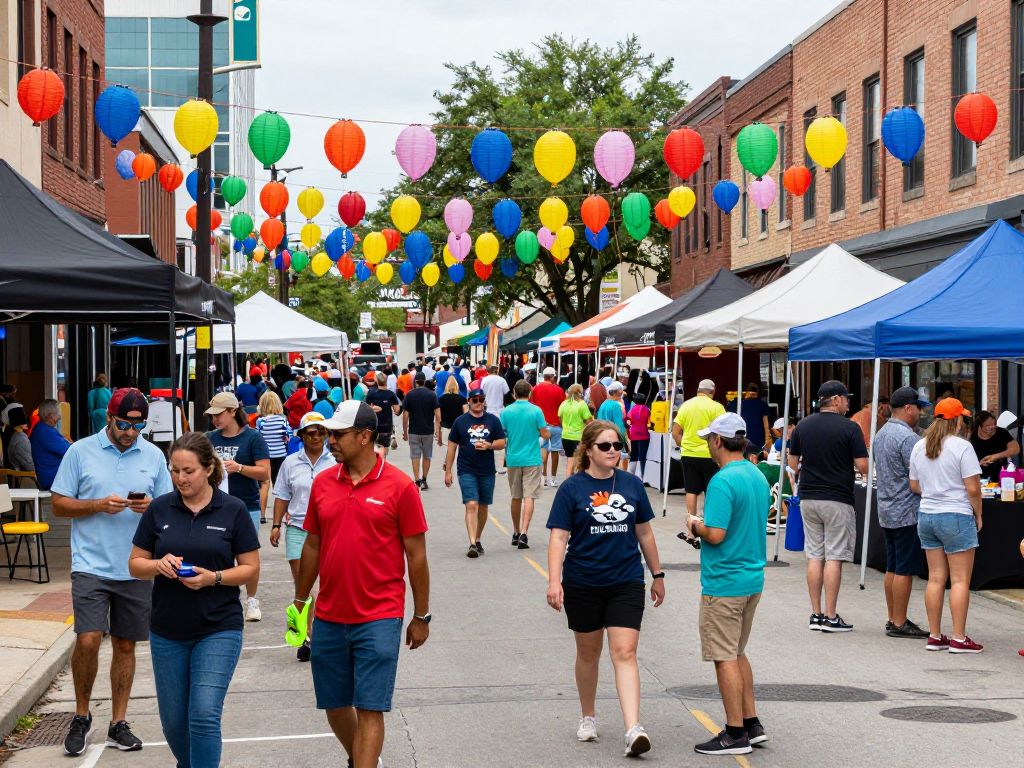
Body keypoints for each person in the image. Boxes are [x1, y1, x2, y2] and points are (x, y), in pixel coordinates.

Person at [292, 400, 430, 768]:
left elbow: (416, 555)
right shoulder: (322, 483)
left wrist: (422, 615)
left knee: (370, 706)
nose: (330, 440)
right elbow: (313, 544)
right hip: (330, 614)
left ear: (365, 437)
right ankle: (360, 759)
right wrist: (300, 602)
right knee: (334, 704)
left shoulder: (400, 487)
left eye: (338, 434)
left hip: (380, 615)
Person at [50, 388, 173, 756]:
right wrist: (97, 505)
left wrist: (151, 509)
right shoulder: (80, 451)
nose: (129, 433)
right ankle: (81, 714)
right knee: (88, 639)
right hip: (90, 564)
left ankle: (118, 723)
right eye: (123, 424)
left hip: (135, 564)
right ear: (108, 417)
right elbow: (58, 505)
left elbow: (168, 509)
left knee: (125, 643)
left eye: (137, 426)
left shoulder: (153, 456)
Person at [128, 433, 260, 768]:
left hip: (219, 627)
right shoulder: (160, 509)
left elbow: (250, 569)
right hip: (167, 630)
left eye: (189, 471)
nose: (181, 478)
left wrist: (212, 578)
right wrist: (158, 565)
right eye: (175, 471)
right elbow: (135, 564)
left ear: (208, 468)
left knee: (202, 714)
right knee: (173, 722)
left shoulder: (233, 510)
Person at [545, 419, 664, 758]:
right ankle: (588, 715)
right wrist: (554, 581)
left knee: (625, 652)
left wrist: (658, 574)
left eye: (617, 445)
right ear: (588, 449)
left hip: (625, 580)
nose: (614, 451)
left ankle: (633, 728)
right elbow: (558, 537)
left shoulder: (631, 484)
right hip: (583, 581)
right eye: (606, 446)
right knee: (588, 653)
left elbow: (644, 533)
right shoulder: (572, 489)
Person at [684, 413, 770, 755]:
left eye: (709, 439)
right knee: (737, 652)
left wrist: (695, 525)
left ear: (718, 442)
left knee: (724, 656)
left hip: (725, 580)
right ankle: (751, 722)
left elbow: (716, 534)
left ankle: (735, 732)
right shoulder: (756, 474)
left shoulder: (722, 480)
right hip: (752, 575)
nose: (708, 444)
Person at [787, 380, 868, 632]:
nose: (847, 402)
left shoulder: (803, 425)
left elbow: (792, 462)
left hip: (809, 497)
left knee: (814, 555)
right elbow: (864, 466)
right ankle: (831, 615)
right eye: (845, 398)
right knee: (834, 556)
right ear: (834, 400)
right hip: (837, 497)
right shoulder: (850, 428)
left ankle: (816, 614)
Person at [909, 397, 984, 653]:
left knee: (935, 578)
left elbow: (914, 486)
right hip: (956, 514)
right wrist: (979, 514)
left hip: (927, 514)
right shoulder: (962, 447)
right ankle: (959, 638)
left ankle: (934, 634)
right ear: (957, 420)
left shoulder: (920, 446)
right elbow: (973, 488)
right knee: (960, 580)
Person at [271, 412, 335, 661]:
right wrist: (276, 524)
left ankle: (328, 632)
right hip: (298, 527)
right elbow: (282, 494)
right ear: (302, 436)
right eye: (311, 432)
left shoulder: (335, 461)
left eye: (321, 432)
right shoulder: (290, 463)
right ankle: (309, 635)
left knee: (331, 583)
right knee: (303, 584)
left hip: (329, 528)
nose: (316, 436)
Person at [205, 391, 271, 622]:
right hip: (214, 505)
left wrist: (240, 468)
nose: (215, 420)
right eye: (212, 415)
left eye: (219, 414)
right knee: (214, 553)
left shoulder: (253, 438)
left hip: (246, 504)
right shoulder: (209, 438)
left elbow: (265, 472)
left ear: (233, 412)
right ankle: (219, 598)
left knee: (248, 557)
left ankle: (251, 600)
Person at [873, 387, 931, 639]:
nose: (920, 412)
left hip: (887, 507)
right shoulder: (908, 438)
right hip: (906, 509)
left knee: (893, 566)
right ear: (908, 408)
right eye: (918, 407)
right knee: (904, 569)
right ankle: (898, 621)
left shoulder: (882, 432)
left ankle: (893, 616)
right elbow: (920, 473)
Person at [444, 387, 506, 557]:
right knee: (471, 504)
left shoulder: (493, 420)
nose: (478, 403)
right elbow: (451, 446)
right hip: (466, 468)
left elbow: (502, 441)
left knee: (483, 506)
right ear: (469, 402)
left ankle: (477, 539)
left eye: (481, 399)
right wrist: (448, 470)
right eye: (475, 400)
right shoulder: (460, 421)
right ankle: (472, 544)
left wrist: (490, 445)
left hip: (486, 470)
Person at [673, 380, 726, 536]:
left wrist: (684, 445)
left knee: (691, 490)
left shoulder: (686, 405)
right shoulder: (717, 407)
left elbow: (675, 432)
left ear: (698, 390)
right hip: (710, 455)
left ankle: (691, 528)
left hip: (689, 454)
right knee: (711, 490)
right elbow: (723, 433)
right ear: (713, 391)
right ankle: (710, 524)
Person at [501, 380, 549, 550]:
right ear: (529, 392)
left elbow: (502, 433)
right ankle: (524, 532)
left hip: (513, 457)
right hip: (532, 458)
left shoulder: (506, 412)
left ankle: (515, 531)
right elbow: (545, 433)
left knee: (516, 496)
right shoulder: (536, 411)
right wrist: (544, 432)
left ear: (514, 392)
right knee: (529, 496)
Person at [256, 391, 292, 523]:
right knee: (281, 487)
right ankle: (285, 515)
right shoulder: (282, 420)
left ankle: (262, 515)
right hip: (280, 456)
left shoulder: (260, 421)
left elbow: (258, 437)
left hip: (264, 457)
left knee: (264, 485)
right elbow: (288, 437)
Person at [402, 372, 442, 490]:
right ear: (424, 381)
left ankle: (417, 480)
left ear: (415, 381)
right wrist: (437, 430)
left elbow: (405, 415)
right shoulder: (432, 395)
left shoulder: (409, 395)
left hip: (414, 430)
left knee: (415, 456)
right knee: (427, 456)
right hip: (428, 431)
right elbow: (438, 415)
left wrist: (405, 431)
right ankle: (424, 479)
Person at [531, 367, 566, 487]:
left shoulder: (535, 388)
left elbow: (533, 405)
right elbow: (562, 408)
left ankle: (544, 477)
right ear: (553, 377)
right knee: (555, 451)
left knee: (543, 450)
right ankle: (554, 478)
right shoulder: (559, 390)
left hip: (541, 425)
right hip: (556, 424)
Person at [30, 398, 72, 490]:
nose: (60, 417)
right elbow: (70, 450)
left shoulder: (41, 428)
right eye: (58, 414)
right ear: (50, 416)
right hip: (53, 479)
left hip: (52, 477)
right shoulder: (45, 431)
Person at [970, 409, 1021, 483]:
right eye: (987, 426)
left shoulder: (1002, 432)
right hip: (979, 478)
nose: (992, 427)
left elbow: (1015, 449)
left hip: (1001, 477)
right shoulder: (972, 435)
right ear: (979, 426)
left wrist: (995, 456)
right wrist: (979, 463)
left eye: (994, 424)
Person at [726, 382, 772, 452]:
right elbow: (766, 424)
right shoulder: (762, 404)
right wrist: (768, 438)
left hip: (743, 436)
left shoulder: (739, 404)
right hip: (758, 437)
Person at [364, 372, 401, 458]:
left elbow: (367, 408)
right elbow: (397, 410)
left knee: (375, 449)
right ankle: (382, 463)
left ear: (376, 381)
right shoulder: (391, 394)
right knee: (384, 450)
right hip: (386, 425)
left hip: (374, 426)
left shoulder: (371, 393)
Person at [559, 384, 593, 476]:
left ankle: (569, 478)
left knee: (570, 459)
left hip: (565, 436)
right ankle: (570, 481)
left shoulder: (564, 403)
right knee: (576, 462)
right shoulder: (582, 404)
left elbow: (560, 418)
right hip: (577, 436)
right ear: (580, 393)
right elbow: (589, 422)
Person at [596, 381, 629, 470]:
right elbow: (619, 425)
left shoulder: (604, 403)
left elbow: (598, 420)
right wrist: (624, 439)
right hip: (613, 438)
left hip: (602, 436)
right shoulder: (616, 405)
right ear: (618, 393)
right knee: (618, 461)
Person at [627, 399, 652, 481]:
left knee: (634, 453)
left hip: (634, 433)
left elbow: (628, 420)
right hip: (644, 434)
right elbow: (650, 422)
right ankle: (642, 475)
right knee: (642, 455)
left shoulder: (632, 409)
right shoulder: (647, 409)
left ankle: (631, 474)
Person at [3, 405, 33, 472]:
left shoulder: (16, 437)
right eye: (20, 417)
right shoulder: (21, 439)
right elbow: (30, 465)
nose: (25, 421)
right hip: (30, 478)